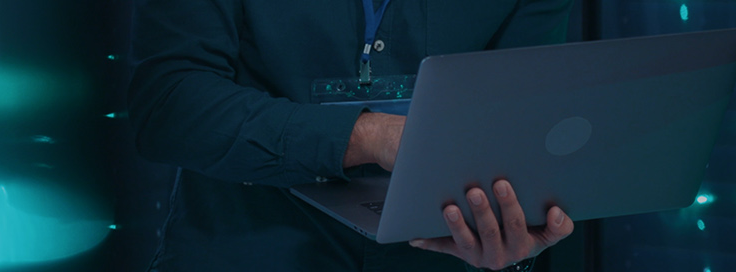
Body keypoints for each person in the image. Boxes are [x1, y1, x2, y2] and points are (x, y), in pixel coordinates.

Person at [128, 0, 574, 270]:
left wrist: (510, 247)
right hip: (243, 255)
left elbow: (523, 130)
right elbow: (169, 104)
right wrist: (366, 135)